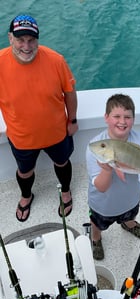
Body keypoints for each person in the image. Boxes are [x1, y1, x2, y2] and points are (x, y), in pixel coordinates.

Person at [0, 14, 78, 222]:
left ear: (38, 39)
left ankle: (66, 192)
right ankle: (26, 196)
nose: (26, 46)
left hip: (57, 132)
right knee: (24, 172)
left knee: (62, 162)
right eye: (20, 39)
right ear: (10, 38)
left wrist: (72, 120)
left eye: (31, 40)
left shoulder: (56, 60)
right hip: (21, 137)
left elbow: (70, 92)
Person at [86, 94, 140, 260]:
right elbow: (101, 187)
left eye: (127, 117)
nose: (122, 121)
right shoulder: (95, 147)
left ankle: (129, 224)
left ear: (133, 119)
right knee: (97, 223)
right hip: (103, 205)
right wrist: (107, 169)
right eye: (116, 116)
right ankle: (96, 238)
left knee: (130, 215)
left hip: (130, 200)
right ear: (106, 118)